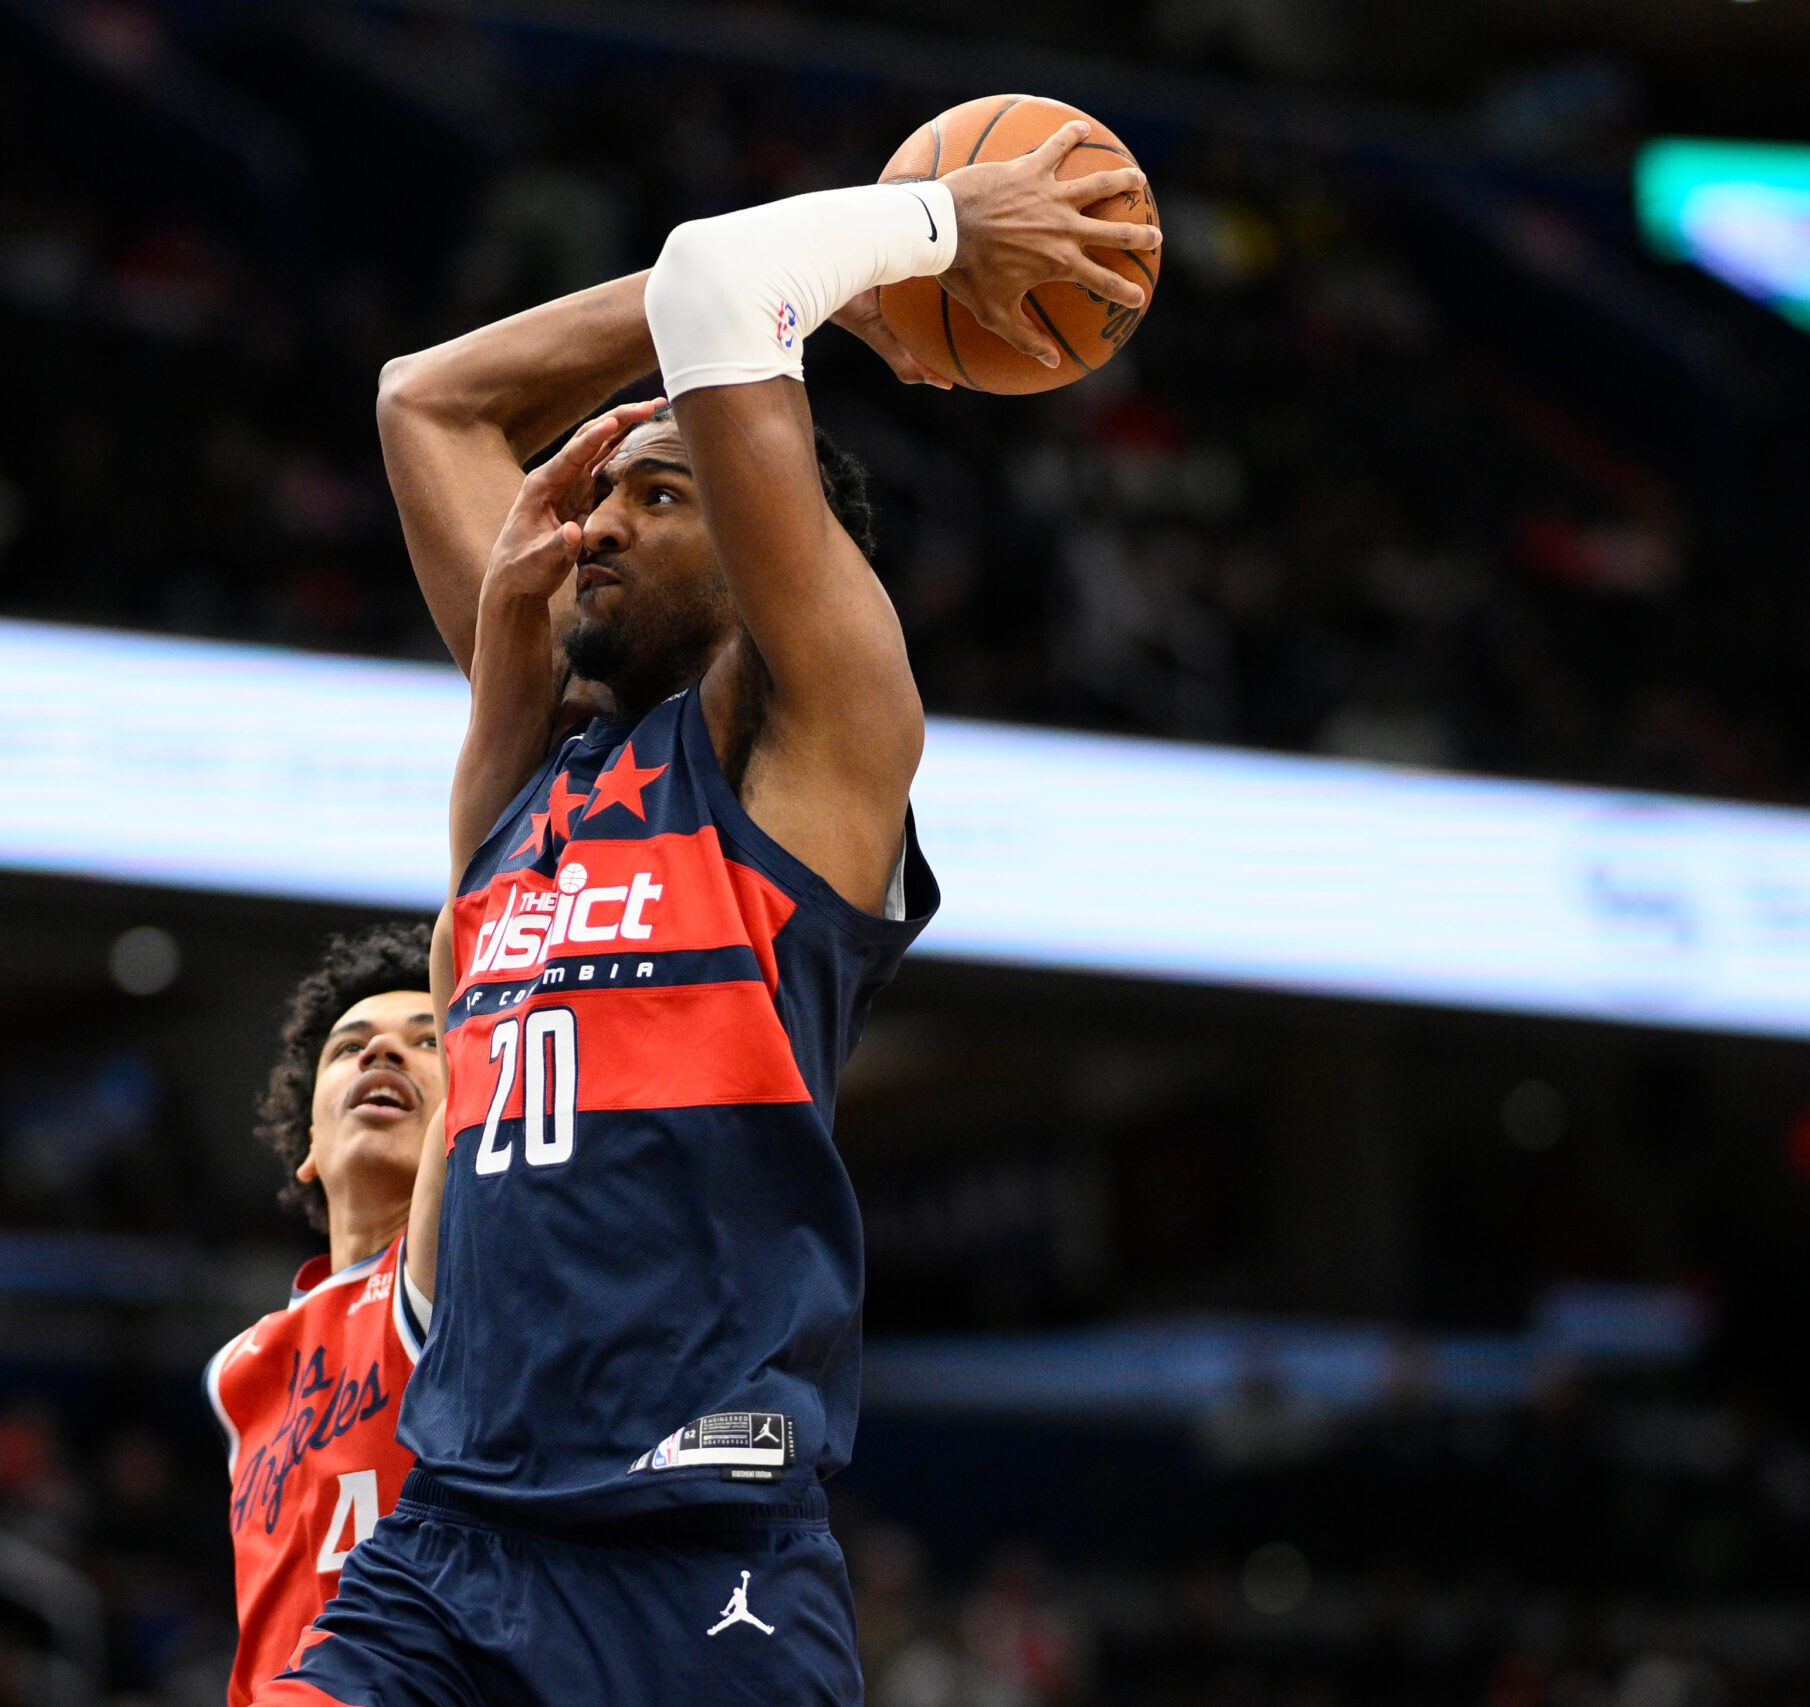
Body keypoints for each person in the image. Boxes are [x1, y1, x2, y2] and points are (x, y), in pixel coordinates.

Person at [264, 125, 1157, 1707]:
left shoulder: (816, 743)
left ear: (768, 555)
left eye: (657, 492)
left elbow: (719, 282)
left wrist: (919, 231)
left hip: (698, 1551)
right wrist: (816, 304)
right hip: (453, 1529)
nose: (590, 522)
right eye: (592, 491)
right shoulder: (544, 753)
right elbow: (430, 396)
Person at [204, 923, 441, 1707]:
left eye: (427, 1039)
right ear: (308, 1139)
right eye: (349, 1046)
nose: (381, 1053)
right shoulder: (238, 1368)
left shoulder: (466, 1280)